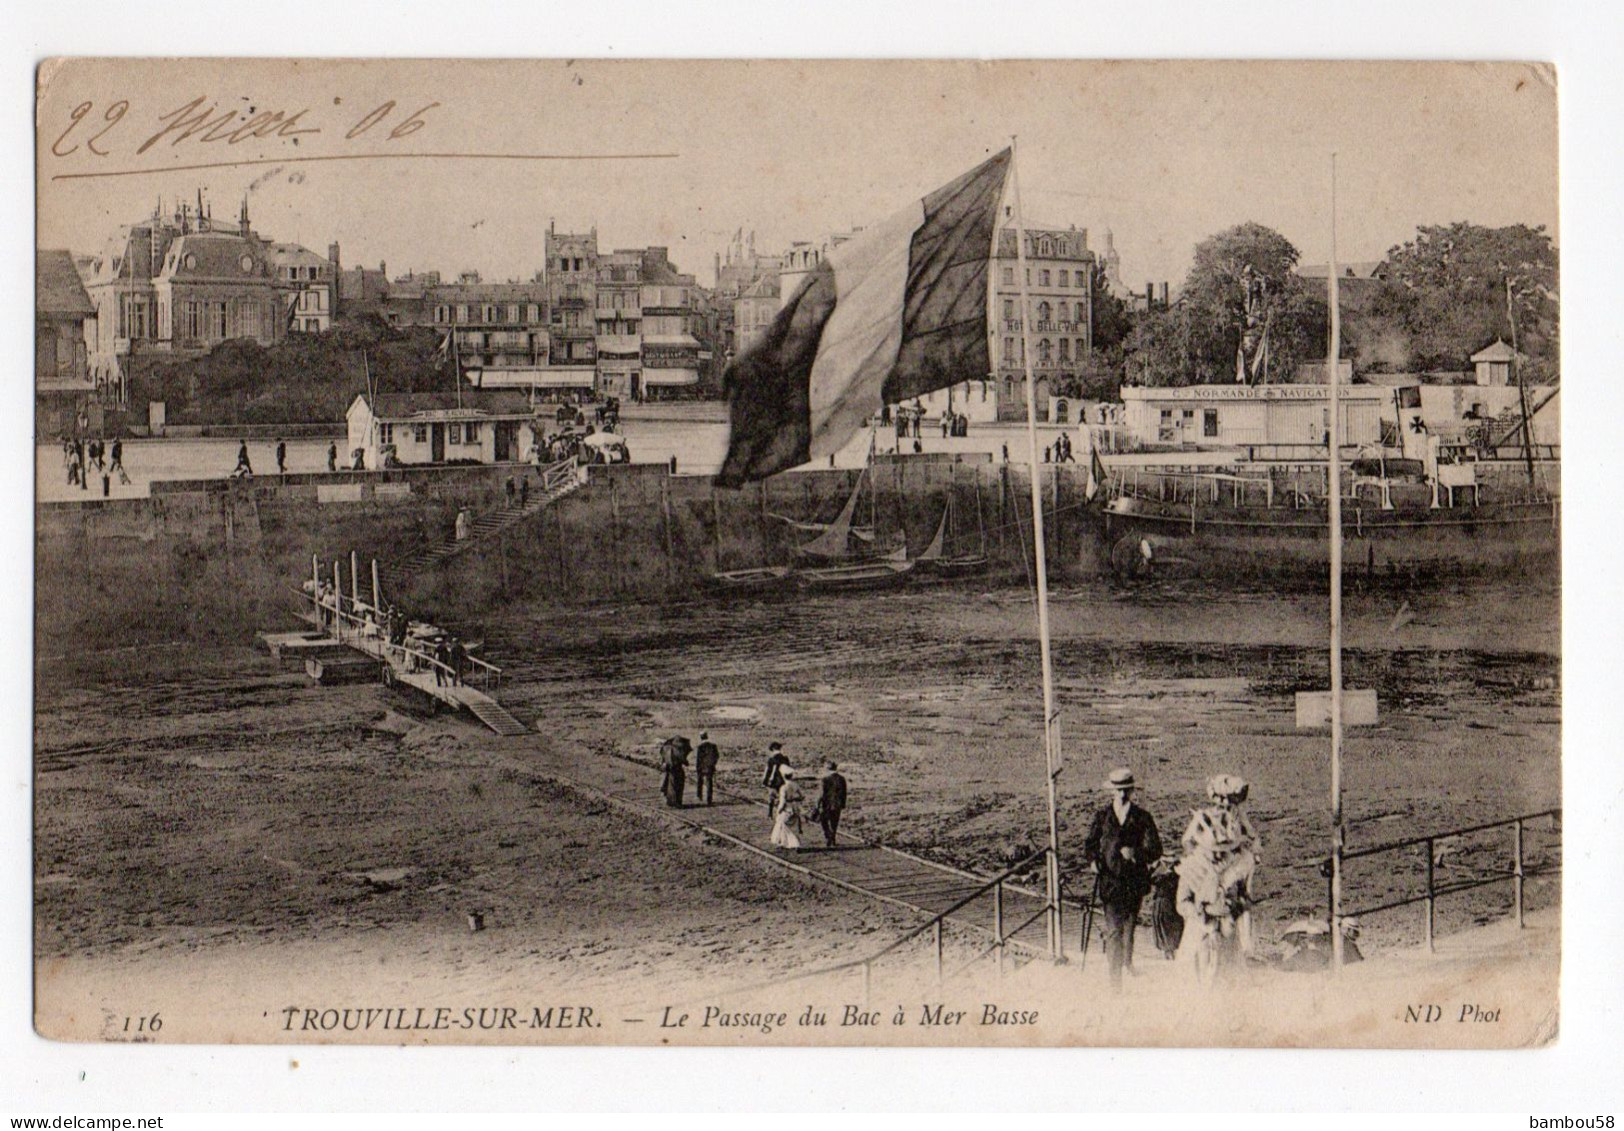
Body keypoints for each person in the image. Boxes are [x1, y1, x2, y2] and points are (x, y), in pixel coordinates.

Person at [1175, 774, 1261, 985]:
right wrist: (1199, 911)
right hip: (1200, 933)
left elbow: (1246, 898)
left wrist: (1234, 908)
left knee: (1229, 982)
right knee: (1197, 980)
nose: (1218, 855)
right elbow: (1181, 902)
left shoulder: (1237, 864)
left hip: (1227, 935)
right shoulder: (1193, 866)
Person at [1082, 767, 1163, 991]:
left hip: (1134, 882)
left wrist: (1136, 853)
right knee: (1114, 931)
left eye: (1126, 790)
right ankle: (1114, 980)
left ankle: (1127, 963)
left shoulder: (1142, 817)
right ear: (1112, 791)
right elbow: (1090, 844)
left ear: (1132, 790)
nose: (1122, 794)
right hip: (1109, 882)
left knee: (1129, 926)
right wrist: (1093, 861)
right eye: (1118, 790)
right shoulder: (1102, 816)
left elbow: (1156, 850)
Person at [812, 760, 847, 848]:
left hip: (826, 804)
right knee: (834, 822)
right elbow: (844, 793)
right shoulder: (841, 779)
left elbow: (821, 794)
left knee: (824, 821)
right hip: (837, 804)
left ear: (827, 769)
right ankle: (833, 838)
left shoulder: (825, 779)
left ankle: (828, 836)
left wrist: (817, 805)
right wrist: (843, 803)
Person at [771, 768, 804, 850]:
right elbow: (802, 796)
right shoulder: (795, 785)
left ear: (784, 777)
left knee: (781, 825)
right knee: (793, 826)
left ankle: (786, 843)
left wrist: (779, 810)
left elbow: (783, 801)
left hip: (787, 808)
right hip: (795, 807)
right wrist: (795, 800)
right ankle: (790, 843)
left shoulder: (783, 787)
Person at [659, 736, 690, 808]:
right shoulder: (678, 751)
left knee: (671, 786)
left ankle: (671, 801)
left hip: (670, 770)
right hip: (678, 769)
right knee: (679, 786)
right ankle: (678, 802)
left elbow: (663, 760)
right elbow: (684, 762)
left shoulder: (666, 749)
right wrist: (686, 762)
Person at [762, 742, 791, 814]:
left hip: (773, 781)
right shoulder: (785, 758)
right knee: (783, 796)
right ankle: (783, 810)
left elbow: (768, 771)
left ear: (773, 749)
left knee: (771, 797)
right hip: (783, 780)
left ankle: (770, 813)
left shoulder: (771, 759)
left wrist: (765, 781)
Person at [694, 732, 720, 806]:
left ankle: (699, 796)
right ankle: (709, 799)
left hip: (701, 767)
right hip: (710, 767)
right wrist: (713, 764)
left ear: (701, 737)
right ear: (707, 736)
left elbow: (698, 759)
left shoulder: (700, 747)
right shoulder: (713, 746)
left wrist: (697, 767)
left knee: (699, 781)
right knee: (709, 783)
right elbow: (717, 756)